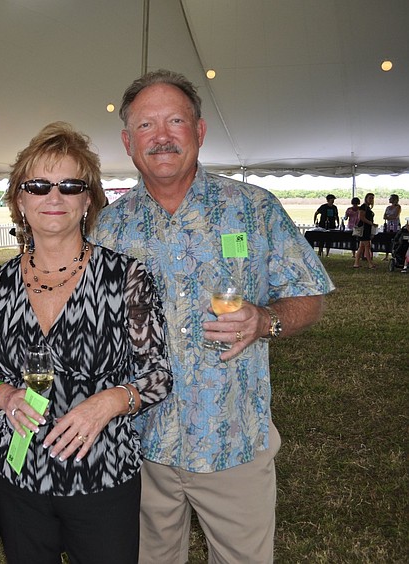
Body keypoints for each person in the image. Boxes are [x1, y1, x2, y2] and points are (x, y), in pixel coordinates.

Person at [91, 70, 334, 563]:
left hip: (234, 445)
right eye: (146, 126)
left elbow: (311, 295)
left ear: (199, 132)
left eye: (176, 120)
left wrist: (266, 320)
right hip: (142, 447)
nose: (161, 136)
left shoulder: (253, 209)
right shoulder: (110, 226)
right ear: (127, 141)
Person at [0, 122, 173, 563]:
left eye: (70, 185)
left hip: (103, 475)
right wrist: (2, 395)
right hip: (18, 476)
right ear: (20, 200)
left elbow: (158, 376)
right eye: (39, 185)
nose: (54, 197)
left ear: (88, 200)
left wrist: (111, 401)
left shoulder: (126, 278)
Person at [354, 192, 377, 269]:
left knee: (361, 246)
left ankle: (356, 263)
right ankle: (370, 263)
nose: (371, 199)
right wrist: (371, 223)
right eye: (370, 198)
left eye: (372, 198)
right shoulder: (363, 207)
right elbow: (361, 217)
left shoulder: (368, 207)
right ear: (366, 198)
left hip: (367, 228)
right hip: (364, 229)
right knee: (367, 245)